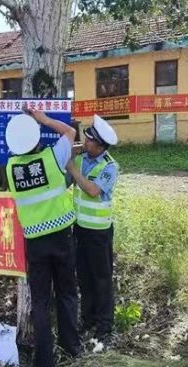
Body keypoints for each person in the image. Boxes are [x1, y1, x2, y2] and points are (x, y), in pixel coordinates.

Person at [5, 110, 81, 367]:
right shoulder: (54, 157)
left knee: (40, 301)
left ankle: (44, 359)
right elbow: (70, 132)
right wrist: (45, 119)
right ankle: (71, 348)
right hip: (61, 237)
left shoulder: (11, 168)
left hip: (35, 242)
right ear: (37, 136)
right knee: (67, 292)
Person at [66, 114, 119, 342]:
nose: (85, 143)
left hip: (99, 233)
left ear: (101, 146)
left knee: (102, 278)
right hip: (79, 230)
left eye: (89, 141)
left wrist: (71, 166)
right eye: (85, 139)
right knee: (84, 277)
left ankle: (104, 325)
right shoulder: (80, 160)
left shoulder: (110, 167)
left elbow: (92, 190)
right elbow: (65, 183)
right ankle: (88, 319)